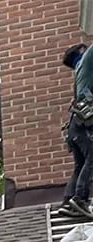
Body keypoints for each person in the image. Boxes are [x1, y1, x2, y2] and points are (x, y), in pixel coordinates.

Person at [59, 42, 93, 217]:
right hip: (82, 125)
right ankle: (80, 198)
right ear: (81, 52)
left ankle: (68, 201)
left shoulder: (79, 74)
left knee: (80, 164)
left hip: (75, 127)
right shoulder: (86, 61)